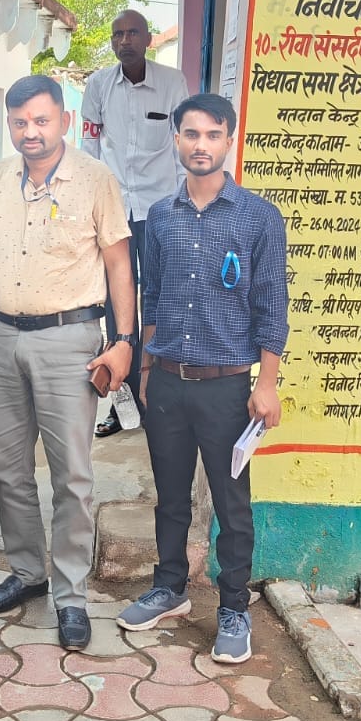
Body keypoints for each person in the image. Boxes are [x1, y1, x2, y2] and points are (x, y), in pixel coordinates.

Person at [0, 74, 136, 651]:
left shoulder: (94, 180)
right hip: (3, 338)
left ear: (63, 119)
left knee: (73, 477)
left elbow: (118, 264)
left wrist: (124, 338)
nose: (30, 133)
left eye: (41, 120)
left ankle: (70, 595)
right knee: (6, 465)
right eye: (19, 123)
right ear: (9, 124)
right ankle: (28, 571)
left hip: (69, 339)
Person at [114, 94, 286, 665]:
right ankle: (169, 589)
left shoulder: (258, 217)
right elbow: (152, 294)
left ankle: (234, 607)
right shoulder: (160, 216)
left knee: (232, 502)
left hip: (229, 386)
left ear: (229, 139)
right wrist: (143, 367)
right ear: (177, 141)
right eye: (190, 134)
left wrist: (268, 382)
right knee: (170, 496)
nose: (200, 145)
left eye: (212, 135)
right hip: (166, 380)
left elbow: (271, 305)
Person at [80, 9, 190, 438]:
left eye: (133, 33)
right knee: (115, 304)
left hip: (159, 208)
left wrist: (183, 205)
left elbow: (181, 144)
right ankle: (122, 399)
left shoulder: (172, 83)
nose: (125, 40)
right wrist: (90, 203)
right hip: (113, 211)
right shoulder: (98, 86)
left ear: (148, 40)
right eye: (117, 34)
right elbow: (89, 144)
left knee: (160, 298)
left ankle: (156, 394)